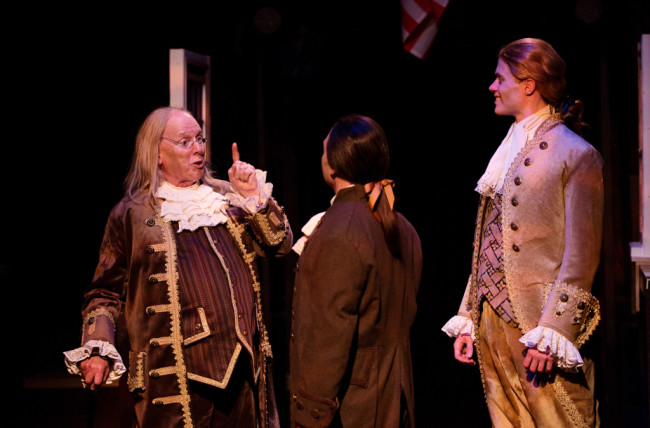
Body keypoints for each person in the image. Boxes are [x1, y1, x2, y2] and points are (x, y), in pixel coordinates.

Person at [63, 106, 293, 428]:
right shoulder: (132, 214)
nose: (199, 148)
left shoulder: (226, 199)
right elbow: (104, 292)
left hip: (245, 374)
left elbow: (279, 246)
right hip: (179, 382)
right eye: (185, 142)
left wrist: (254, 196)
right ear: (157, 153)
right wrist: (97, 347)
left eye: (200, 139)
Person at [442, 38, 604, 427]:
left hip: (537, 327)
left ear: (528, 84)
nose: (492, 87)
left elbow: (580, 258)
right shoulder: (506, 150)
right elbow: (488, 243)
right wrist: (469, 314)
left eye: (500, 79)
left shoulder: (576, 154)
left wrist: (553, 331)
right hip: (492, 325)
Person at [289, 114, 423, 427]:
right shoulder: (404, 227)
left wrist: (309, 412)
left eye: (324, 151)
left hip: (352, 406)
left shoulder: (341, 227)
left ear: (333, 165)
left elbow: (328, 330)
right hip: (395, 395)